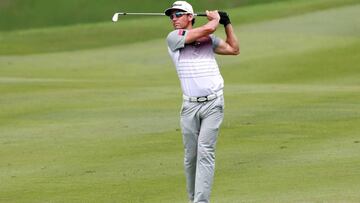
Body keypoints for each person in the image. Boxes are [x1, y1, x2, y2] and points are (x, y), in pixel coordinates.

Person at [164, 1, 239, 203]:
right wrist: (215, 19)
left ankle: (200, 202)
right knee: (191, 157)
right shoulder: (174, 38)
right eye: (171, 16)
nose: (173, 19)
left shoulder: (209, 39)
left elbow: (234, 49)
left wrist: (227, 23)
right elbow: (205, 28)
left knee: (205, 151)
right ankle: (192, 199)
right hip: (189, 107)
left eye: (178, 14)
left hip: (213, 104)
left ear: (190, 16)